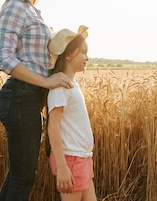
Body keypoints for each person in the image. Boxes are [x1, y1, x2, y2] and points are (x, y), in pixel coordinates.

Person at [0, 0, 73, 201]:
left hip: (29, 99)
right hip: (20, 97)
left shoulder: (33, 12)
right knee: (23, 177)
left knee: (20, 175)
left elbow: (40, 59)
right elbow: (3, 57)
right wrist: (46, 82)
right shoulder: (15, 6)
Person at [47, 26, 97, 201]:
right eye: (83, 52)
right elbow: (53, 127)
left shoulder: (72, 84)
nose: (87, 57)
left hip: (81, 157)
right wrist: (62, 167)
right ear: (68, 55)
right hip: (70, 158)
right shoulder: (61, 86)